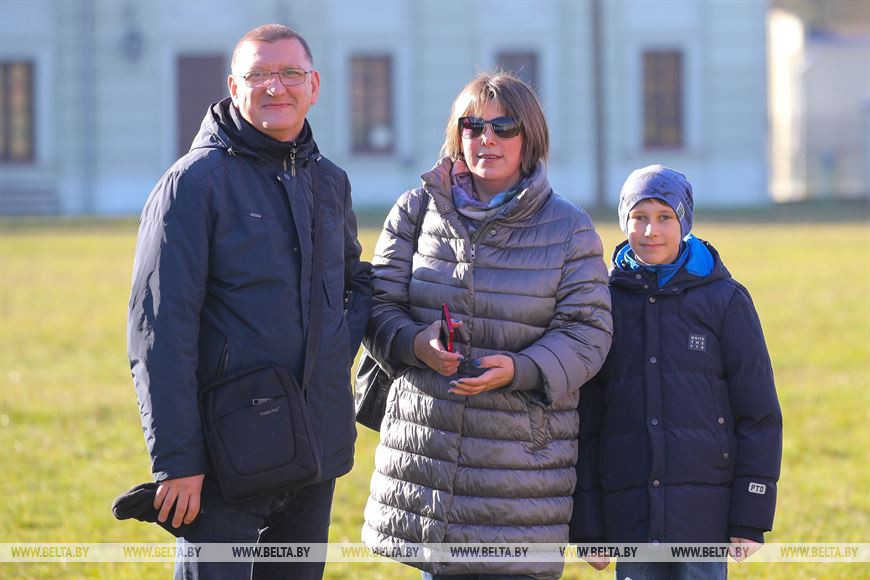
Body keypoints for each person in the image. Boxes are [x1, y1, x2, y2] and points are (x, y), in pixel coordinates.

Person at [127, 24, 372, 579]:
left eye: (288, 73)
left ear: (314, 85)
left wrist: (338, 345)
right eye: (258, 74)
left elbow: (353, 281)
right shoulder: (192, 184)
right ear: (233, 87)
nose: (274, 87)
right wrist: (178, 462)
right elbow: (159, 334)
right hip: (223, 458)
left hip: (313, 452)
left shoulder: (329, 182)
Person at [360, 71, 613, 579]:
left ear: (531, 137)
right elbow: (374, 306)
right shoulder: (415, 211)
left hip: (521, 465)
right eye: (473, 126)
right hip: (430, 463)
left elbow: (588, 332)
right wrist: (416, 343)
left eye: (504, 127)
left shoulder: (569, 227)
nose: (487, 139)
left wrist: (519, 369)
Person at [569, 165, 783, 579]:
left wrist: (750, 516)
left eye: (664, 217)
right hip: (629, 516)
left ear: (684, 222)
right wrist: (589, 526)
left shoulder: (726, 301)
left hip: (704, 519)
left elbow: (759, 414)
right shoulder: (602, 302)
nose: (651, 231)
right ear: (623, 221)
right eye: (639, 217)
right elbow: (586, 424)